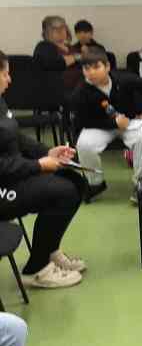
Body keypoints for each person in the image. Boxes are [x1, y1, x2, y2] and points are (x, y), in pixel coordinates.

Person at [0, 50, 87, 288]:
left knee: (76, 182)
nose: (10, 79)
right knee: (63, 192)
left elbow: (16, 137)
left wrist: (47, 152)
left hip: (13, 175)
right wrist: (38, 165)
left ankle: (49, 250)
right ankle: (36, 269)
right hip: (3, 186)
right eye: (5, 74)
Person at [71, 51, 142, 202]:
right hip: (99, 126)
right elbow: (83, 121)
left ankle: (141, 183)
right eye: (86, 68)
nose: (91, 72)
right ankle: (95, 183)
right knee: (84, 144)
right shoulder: (80, 92)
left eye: (96, 67)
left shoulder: (124, 79)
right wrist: (113, 123)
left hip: (130, 122)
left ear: (107, 67)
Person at [32, 15, 83, 90]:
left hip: (80, 89)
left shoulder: (73, 48)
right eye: (55, 29)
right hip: (58, 91)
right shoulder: (43, 46)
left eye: (62, 27)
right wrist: (76, 57)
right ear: (47, 32)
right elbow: (54, 63)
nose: (60, 31)